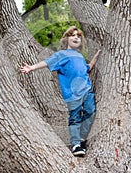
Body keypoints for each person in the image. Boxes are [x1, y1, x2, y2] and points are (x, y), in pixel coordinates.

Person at [20, 26, 101, 157]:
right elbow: (47, 62)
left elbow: (88, 68)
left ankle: (82, 138)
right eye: (73, 35)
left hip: (86, 89)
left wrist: (96, 57)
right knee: (74, 118)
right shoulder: (61, 55)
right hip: (72, 94)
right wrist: (32, 67)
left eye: (78, 36)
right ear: (66, 39)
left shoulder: (80, 56)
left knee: (90, 112)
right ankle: (75, 144)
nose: (76, 37)